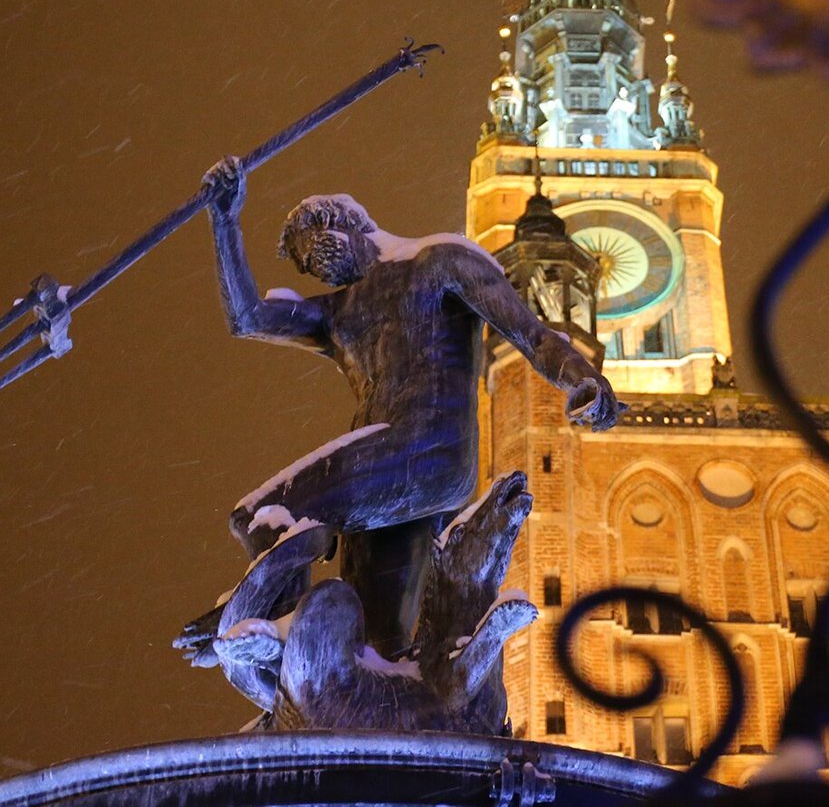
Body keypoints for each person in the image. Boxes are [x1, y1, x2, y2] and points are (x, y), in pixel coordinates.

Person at [177, 155, 620, 663]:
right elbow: (247, 317)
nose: (315, 268)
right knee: (375, 648)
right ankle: (315, 659)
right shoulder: (337, 312)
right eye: (306, 265)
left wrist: (583, 379)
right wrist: (225, 220)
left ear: (346, 222)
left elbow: (532, 333)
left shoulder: (439, 261)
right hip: (379, 476)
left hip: (427, 448)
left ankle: (264, 617)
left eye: (316, 250)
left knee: (260, 513)